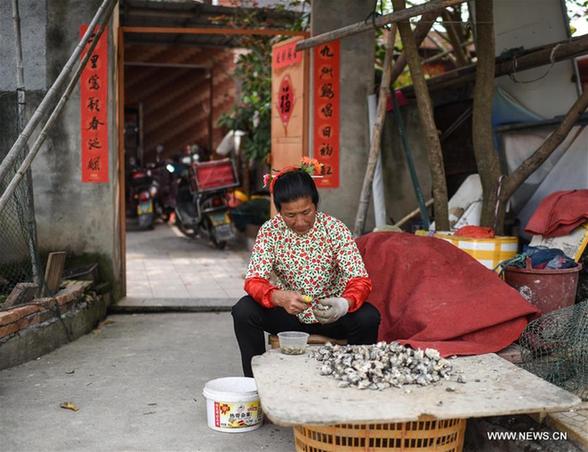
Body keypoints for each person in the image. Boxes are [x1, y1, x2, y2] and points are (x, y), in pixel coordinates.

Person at [231, 159, 380, 377]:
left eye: (306, 212)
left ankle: (357, 376)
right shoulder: (270, 231)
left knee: (369, 317)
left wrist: (343, 304)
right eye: (290, 215)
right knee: (243, 311)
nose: (300, 221)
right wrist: (279, 298)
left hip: (330, 316)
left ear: (316, 204)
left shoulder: (334, 229)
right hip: (289, 317)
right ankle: (254, 384)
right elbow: (254, 280)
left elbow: (360, 279)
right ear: (279, 210)